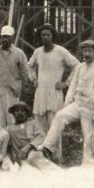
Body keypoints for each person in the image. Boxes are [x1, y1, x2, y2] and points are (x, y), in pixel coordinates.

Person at [39, 39, 94, 163]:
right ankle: (47, 147)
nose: (86, 54)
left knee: (88, 137)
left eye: (89, 51)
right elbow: (72, 86)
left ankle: (89, 163)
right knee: (60, 115)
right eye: (85, 51)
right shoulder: (80, 67)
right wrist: (67, 103)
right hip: (77, 104)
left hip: (90, 107)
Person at [27, 23, 79, 159]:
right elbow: (29, 66)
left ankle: (56, 157)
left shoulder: (61, 51)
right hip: (40, 94)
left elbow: (76, 66)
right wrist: (33, 79)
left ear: (53, 36)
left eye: (48, 35)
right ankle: (42, 158)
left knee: (54, 126)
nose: (45, 37)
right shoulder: (38, 52)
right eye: (43, 35)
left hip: (54, 94)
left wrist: (66, 83)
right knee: (40, 127)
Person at [0, 25, 29, 127]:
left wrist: (22, 88)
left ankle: (14, 141)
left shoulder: (19, 54)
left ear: (12, 38)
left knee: (12, 118)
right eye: (3, 37)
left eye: (7, 37)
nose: (5, 39)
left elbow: (24, 73)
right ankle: (2, 141)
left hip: (12, 91)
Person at [4, 101, 59, 172]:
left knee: (33, 157)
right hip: (21, 157)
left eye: (22, 111)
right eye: (17, 111)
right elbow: (7, 147)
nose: (20, 113)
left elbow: (41, 137)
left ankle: (57, 173)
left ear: (27, 114)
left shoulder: (33, 123)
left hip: (34, 151)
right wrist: (12, 158)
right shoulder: (9, 129)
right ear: (13, 113)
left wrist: (29, 146)